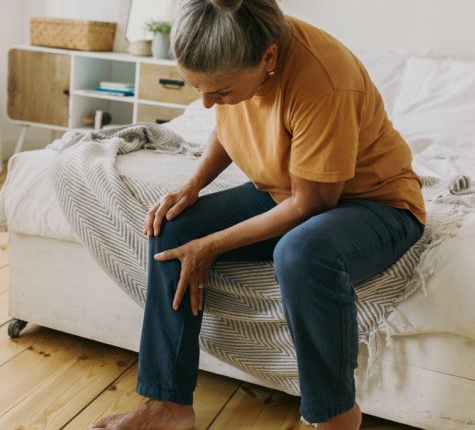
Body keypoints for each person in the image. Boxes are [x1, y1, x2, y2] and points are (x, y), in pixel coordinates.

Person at [91, 0, 425, 428]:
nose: (209, 104)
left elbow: (312, 204)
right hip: (284, 189)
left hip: (373, 203)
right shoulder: (235, 50)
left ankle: (336, 416)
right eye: (198, 90)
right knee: (173, 229)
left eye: (222, 92)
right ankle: (167, 406)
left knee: (301, 253)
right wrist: (192, 185)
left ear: (269, 58)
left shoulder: (324, 79)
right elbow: (229, 123)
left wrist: (211, 245)